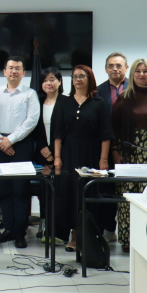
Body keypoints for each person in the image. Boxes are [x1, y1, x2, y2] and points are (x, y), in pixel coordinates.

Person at [53, 65, 113, 252]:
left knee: (89, 193)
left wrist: (103, 160)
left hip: (92, 153)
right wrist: (56, 157)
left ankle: (91, 235)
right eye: (75, 76)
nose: (78, 79)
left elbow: (105, 134)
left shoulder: (99, 102)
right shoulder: (63, 102)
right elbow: (57, 132)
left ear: (90, 78)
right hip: (68, 154)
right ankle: (74, 235)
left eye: (82, 76)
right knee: (71, 194)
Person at [110, 59, 147, 252]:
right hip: (128, 153)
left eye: (145, 71)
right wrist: (115, 153)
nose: (141, 74)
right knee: (127, 197)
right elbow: (113, 129)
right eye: (137, 71)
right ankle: (126, 239)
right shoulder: (124, 97)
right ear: (131, 74)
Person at [0, 56, 40, 247]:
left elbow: (32, 121)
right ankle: (8, 228)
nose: (14, 71)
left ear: (24, 73)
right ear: (4, 71)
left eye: (18, 68)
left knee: (20, 190)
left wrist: (11, 140)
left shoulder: (30, 94)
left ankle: (20, 232)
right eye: (10, 68)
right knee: (4, 190)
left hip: (22, 145)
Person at [93, 52, 128, 239]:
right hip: (105, 146)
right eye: (111, 66)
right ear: (106, 69)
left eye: (119, 65)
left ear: (126, 68)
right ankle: (108, 224)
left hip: (132, 145)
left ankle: (126, 227)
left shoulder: (137, 88)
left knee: (127, 188)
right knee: (106, 188)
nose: (115, 69)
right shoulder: (98, 91)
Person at [32, 67, 66, 245]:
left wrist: (54, 151)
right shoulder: (36, 101)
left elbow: (66, 130)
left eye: (52, 79)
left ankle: (59, 232)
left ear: (60, 81)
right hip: (42, 155)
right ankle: (47, 228)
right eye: (45, 80)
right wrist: (43, 148)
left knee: (60, 193)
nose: (49, 83)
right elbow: (34, 127)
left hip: (61, 155)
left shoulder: (66, 102)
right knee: (45, 193)